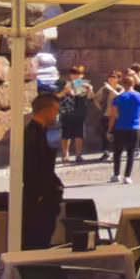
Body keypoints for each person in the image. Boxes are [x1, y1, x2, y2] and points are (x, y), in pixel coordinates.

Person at [23, 93, 64, 249]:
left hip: (46, 193)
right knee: (37, 239)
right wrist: (41, 193)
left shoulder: (46, 131)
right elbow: (33, 166)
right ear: (46, 109)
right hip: (38, 196)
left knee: (45, 236)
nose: (56, 114)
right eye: (55, 110)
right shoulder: (33, 134)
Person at [108, 72, 140, 184]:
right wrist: (139, 124)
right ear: (133, 84)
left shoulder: (118, 98)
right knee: (131, 152)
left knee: (117, 152)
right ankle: (127, 176)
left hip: (120, 127)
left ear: (123, 84)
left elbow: (113, 115)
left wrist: (109, 129)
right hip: (135, 127)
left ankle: (116, 174)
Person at [56, 67, 91, 164]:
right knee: (65, 135)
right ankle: (65, 154)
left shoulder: (84, 85)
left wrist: (89, 90)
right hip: (66, 112)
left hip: (79, 112)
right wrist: (65, 91)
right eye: (73, 74)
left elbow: (89, 98)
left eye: (78, 74)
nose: (75, 76)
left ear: (82, 75)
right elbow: (57, 96)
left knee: (79, 134)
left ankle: (78, 155)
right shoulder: (63, 84)